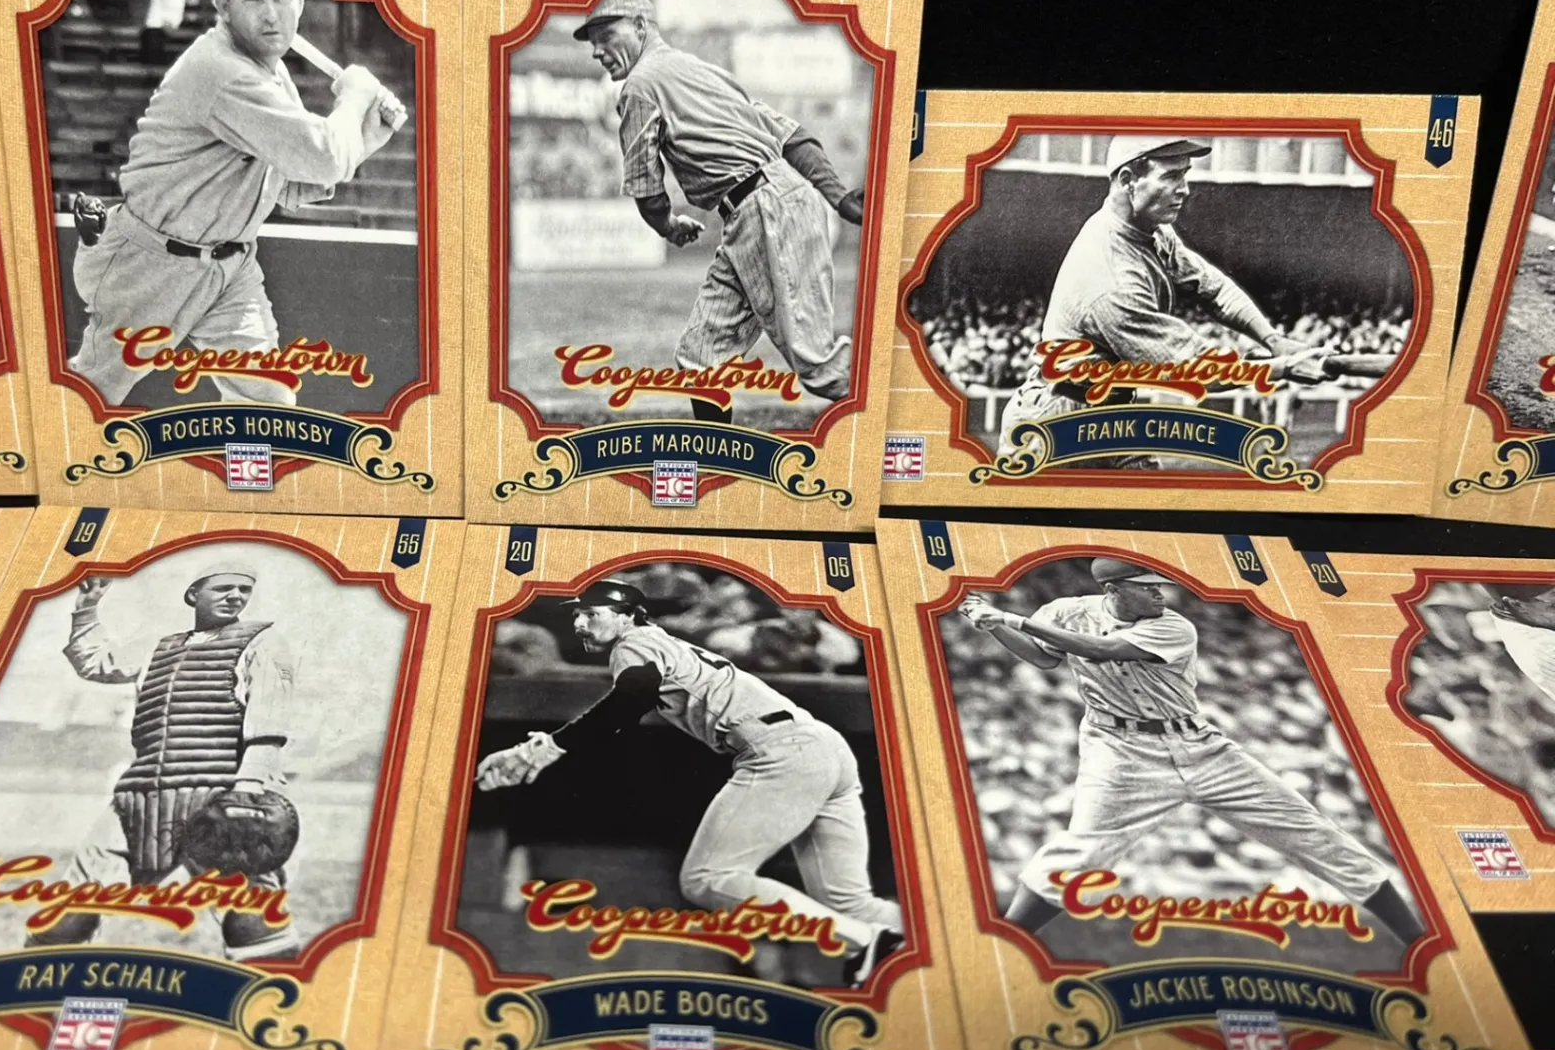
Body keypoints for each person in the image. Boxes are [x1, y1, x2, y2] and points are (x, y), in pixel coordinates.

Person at [959, 557, 1424, 944]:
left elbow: (1104, 650)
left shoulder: (1174, 627)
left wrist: (1011, 617)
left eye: (1159, 585)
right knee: (1080, 853)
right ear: (1115, 589)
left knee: (1311, 831)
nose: (1161, 594)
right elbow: (1043, 657)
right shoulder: (1066, 611)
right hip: (1119, 751)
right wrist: (993, 626)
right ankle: (1006, 943)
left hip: (1199, 746)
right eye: (1148, 587)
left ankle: (1416, 937)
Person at [476, 579, 902, 988]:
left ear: (626, 616)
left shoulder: (634, 643)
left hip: (780, 751)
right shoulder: (667, 642)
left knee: (708, 878)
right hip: (823, 747)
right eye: (578, 615)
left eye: (592, 614)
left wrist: (540, 750)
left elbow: (627, 702)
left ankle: (866, 940)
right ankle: (920, 938)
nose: (581, 623)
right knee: (850, 903)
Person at [67, 0, 405, 407]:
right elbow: (324, 156)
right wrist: (356, 95)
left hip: (230, 269)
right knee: (86, 402)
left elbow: (293, 184)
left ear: (299, 3)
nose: (270, 14)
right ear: (222, 6)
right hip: (150, 264)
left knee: (270, 403)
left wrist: (367, 136)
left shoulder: (271, 71)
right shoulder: (220, 70)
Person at [575, 0, 863, 422]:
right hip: (764, 207)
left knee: (820, 367)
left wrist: (668, 226)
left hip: (767, 210)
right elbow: (792, 136)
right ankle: (714, 452)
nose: (597, 50)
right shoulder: (702, 70)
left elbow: (647, 189)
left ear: (640, 26)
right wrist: (837, 196)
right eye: (592, 41)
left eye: (605, 35)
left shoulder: (640, 86)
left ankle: (899, 404)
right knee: (701, 358)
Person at [997, 135, 1331, 466]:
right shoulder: (1111, 280)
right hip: (1056, 423)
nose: (1184, 189)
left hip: (1108, 407)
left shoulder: (1148, 230)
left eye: (1184, 174)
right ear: (1128, 180)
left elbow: (1213, 288)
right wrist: (1285, 368)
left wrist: (1273, 341)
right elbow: (1198, 371)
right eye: (1171, 176)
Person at [27, 555, 300, 959]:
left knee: (251, 916)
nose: (236, 596)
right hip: (143, 793)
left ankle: (279, 989)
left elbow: (268, 721)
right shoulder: (160, 648)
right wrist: (87, 607)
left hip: (220, 792)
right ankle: (36, 975)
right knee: (74, 904)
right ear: (193, 594)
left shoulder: (262, 642)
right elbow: (95, 662)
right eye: (223, 587)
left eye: (244, 589)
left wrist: (247, 790)